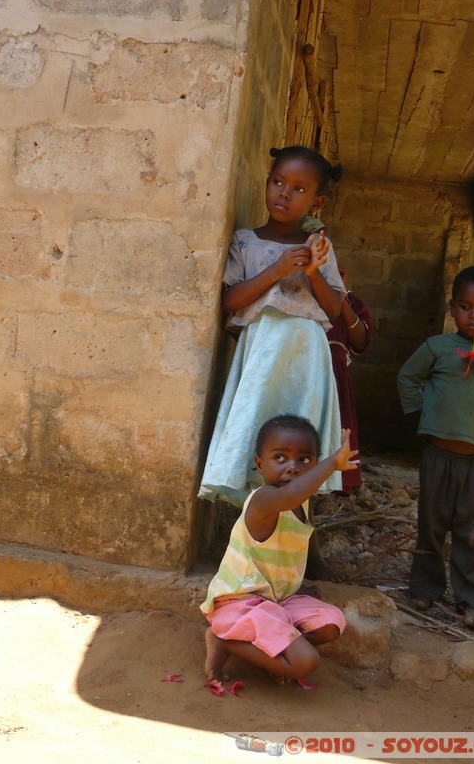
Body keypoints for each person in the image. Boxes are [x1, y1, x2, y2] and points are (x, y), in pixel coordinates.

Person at [198, 145, 346, 506]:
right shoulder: (246, 241)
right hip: (261, 354)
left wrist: (312, 272)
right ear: (266, 184)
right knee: (258, 430)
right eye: (278, 182)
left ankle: (302, 543)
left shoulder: (319, 248)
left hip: (306, 356)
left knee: (300, 441)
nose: (284, 192)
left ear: (317, 201)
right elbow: (230, 300)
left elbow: (336, 309)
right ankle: (249, 536)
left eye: (299, 188)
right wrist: (277, 270)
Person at [397, 265, 474, 631]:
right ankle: (424, 589)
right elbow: (408, 378)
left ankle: (473, 603)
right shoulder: (437, 347)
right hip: (438, 456)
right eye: (465, 306)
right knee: (431, 524)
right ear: (452, 308)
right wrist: (425, 412)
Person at [201, 415, 357, 683]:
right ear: (260, 465)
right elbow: (290, 495)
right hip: (241, 601)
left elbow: (288, 547)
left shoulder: (302, 503)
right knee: (306, 663)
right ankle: (222, 641)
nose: (293, 468)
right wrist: (332, 463)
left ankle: (267, 653)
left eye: (305, 460)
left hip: (277, 599)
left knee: (331, 625)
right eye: (280, 458)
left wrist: (295, 586)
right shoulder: (264, 500)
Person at [327, 267, 373, 492]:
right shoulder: (298, 296)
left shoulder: (352, 303)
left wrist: (340, 295)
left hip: (334, 377)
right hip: (302, 368)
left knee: (335, 430)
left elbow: (361, 341)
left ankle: (335, 483)